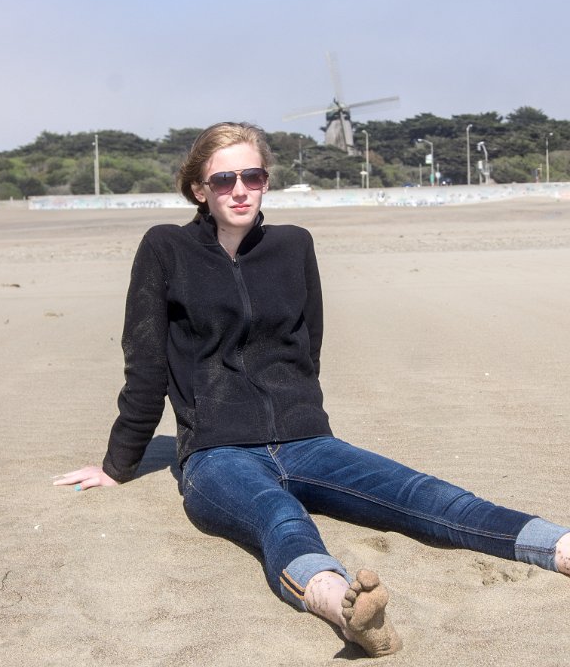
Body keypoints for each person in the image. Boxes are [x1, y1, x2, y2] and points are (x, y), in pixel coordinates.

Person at [54, 122, 570, 658]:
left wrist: (300, 414)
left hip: (308, 439)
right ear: (199, 189)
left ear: (265, 181)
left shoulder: (293, 245)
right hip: (217, 452)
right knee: (278, 518)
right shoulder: (166, 248)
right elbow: (145, 363)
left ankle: (557, 544)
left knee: (425, 496)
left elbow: (308, 347)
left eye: (252, 176)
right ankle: (344, 607)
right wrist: (118, 465)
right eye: (224, 179)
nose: (240, 190)